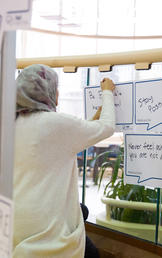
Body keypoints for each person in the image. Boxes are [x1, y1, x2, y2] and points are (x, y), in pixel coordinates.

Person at [13, 64, 115, 258]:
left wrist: (90, 121)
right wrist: (107, 92)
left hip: (15, 221)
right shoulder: (55, 123)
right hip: (47, 224)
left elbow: (59, 146)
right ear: (50, 92)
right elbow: (107, 127)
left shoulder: (10, 124)